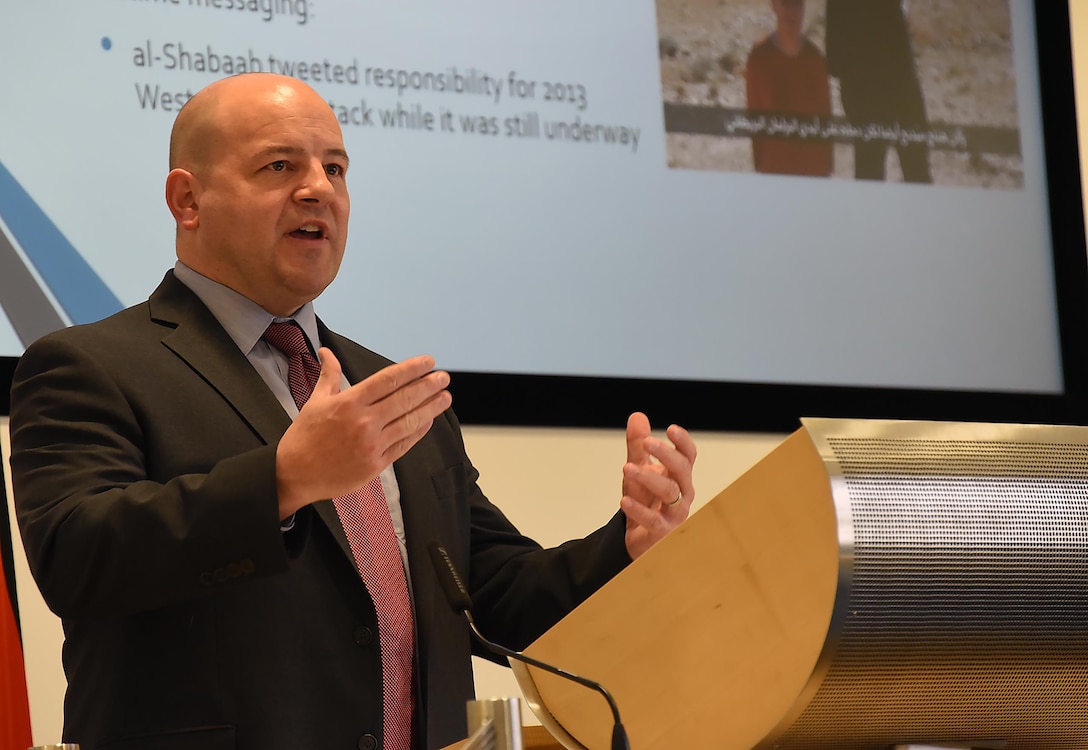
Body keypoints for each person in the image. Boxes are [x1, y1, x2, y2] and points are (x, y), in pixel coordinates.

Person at [7, 73, 697, 750]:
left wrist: (629, 546)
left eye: (335, 169)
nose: (318, 189)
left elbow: (494, 594)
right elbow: (78, 559)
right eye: (279, 165)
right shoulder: (92, 366)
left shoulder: (386, 389)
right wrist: (282, 481)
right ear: (188, 200)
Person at [825, 0, 933, 183]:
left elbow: (834, 62)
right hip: (890, 90)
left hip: (872, 92)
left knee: (875, 173)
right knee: (912, 172)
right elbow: (835, 61)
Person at [745, 0, 833, 177]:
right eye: (786, 3)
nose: (791, 11)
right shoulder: (759, 58)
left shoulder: (815, 59)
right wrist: (760, 166)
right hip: (775, 171)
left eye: (797, 4)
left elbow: (825, 118)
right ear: (774, 5)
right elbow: (754, 117)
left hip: (813, 172)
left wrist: (827, 168)